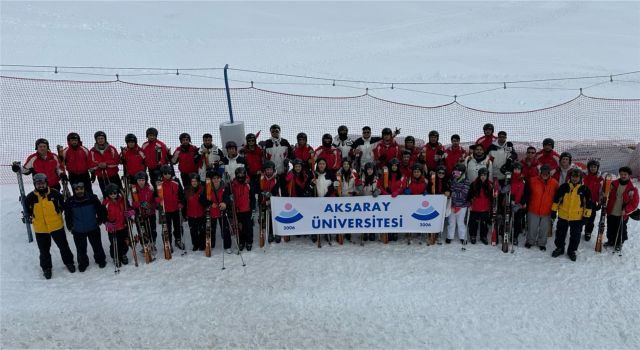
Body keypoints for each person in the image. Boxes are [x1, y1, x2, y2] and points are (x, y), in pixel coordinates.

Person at [24, 173, 75, 279]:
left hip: (56, 226)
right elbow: (28, 212)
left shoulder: (55, 194)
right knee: (44, 250)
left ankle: (69, 262)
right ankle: (46, 268)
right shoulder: (30, 197)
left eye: (42, 183)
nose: (40, 186)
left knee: (63, 247)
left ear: (46, 183)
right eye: (38, 184)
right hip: (40, 229)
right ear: (35, 184)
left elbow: (62, 207)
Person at [551, 168, 593, 261]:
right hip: (563, 215)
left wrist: (586, 217)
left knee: (575, 236)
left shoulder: (585, 189)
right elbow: (557, 199)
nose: (574, 179)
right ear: (570, 177)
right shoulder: (564, 187)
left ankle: (572, 250)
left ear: (580, 178)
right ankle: (560, 248)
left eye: (577, 177)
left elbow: (589, 204)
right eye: (573, 176)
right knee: (560, 233)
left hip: (577, 218)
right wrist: (554, 211)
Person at [64, 182, 107, 272]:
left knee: (97, 246)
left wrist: (100, 220)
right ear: (74, 190)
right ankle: (83, 263)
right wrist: (70, 227)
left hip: (93, 227)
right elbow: (68, 215)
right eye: (77, 189)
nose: (79, 191)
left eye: (81, 188)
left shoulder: (92, 198)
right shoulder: (70, 201)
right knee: (81, 249)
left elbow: (100, 210)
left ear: (84, 188)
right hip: (78, 230)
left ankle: (100, 260)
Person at [605, 166, 639, 250]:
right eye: (621, 174)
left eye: (625, 174)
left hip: (622, 213)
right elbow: (605, 192)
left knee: (621, 229)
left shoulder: (632, 189)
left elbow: (634, 203)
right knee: (610, 226)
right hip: (611, 210)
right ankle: (610, 240)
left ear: (629, 175)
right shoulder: (613, 184)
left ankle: (619, 243)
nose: (623, 176)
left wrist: (626, 210)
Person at [526, 164, 558, 250]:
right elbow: (525, 192)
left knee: (544, 229)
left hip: (547, 210)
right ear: (540, 172)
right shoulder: (532, 180)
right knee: (532, 227)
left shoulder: (554, 183)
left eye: (547, 172)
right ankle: (530, 241)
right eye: (543, 172)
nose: (545, 174)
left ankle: (542, 243)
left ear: (549, 173)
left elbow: (558, 196)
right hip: (533, 209)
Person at [225, 167, 256, 251]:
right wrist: (229, 197)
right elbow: (227, 194)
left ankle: (249, 241)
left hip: (247, 209)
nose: (240, 176)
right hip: (237, 210)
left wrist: (253, 208)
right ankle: (241, 241)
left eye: (242, 174)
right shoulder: (233, 184)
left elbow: (252, 197)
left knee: (248, 227)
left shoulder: (248, 183)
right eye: (239, 174)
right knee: (239, 227)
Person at [200, 171, 231, 253]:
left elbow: (227, 197)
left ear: (220, 179)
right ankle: (211, 245)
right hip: (211, 212)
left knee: (225, 229)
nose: (216, 180)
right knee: (211, 229)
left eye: (217, 178)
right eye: (214, 178)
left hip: (222, 211)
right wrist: (210, 204)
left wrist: (224, 203)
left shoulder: (225, 187)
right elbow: (202, 199)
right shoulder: (208, 187)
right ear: (211, 179)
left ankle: (227, 246)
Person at [156, 165, 186, 250]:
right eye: (165, 173)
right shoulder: (159, 183)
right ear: (162, 174)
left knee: (178, 226)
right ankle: (168, 242)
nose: (167, 175)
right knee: (167, 228)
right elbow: (156, 195)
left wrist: (181, 202)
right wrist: (157, 200)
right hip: (165, 210)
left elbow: (181, 193)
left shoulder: (176, 181)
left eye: (169, 173)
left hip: (176, 208)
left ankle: (178, 240)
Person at [102, 183, 133, 267]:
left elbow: (129, 208)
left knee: (124, 242)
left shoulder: (122, 200)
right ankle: (115, 256)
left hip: (123, 225)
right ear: (108, 194)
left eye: (114, 193)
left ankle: (123, 254)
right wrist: (106, 222)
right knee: (114, 243)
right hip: (113, 227)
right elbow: (102, 215)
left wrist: (130, 212)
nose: (113, 195)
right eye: (111, 193)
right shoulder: (106, 203)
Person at [89, 131, 122, 196]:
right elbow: (90, 164)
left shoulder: (111, 149)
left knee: (119, 192)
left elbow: (116, 161)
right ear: (96, 140)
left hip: (113, 175)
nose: (100, 140)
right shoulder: (92, 151)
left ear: (105, 139)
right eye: (98, 139)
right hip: (101, 177)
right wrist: (99, 165)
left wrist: (106, 164)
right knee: (106, 194)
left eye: (102, 138)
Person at [263, 124, 293, 195]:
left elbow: (291, 154)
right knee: (273, 190)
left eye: (276, 131)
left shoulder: (285, 142)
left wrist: (288, 161)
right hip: (272, 174)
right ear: (270, 132)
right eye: (272, 131)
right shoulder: (267, 143)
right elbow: (264, 157)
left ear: (279, 131)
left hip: (283, 172)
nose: (274, 133)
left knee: (284, 190)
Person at [312, 158, 336, 243]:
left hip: (327, 200)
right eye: (320, 164)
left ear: (326, 165)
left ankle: (327, 233)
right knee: (316, 217)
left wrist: (327, 196)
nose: (321, 165)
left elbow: (334, 187)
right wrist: (312, 184)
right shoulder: (314, 174)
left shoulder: (331, 174)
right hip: (317, 200)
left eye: (323, 164)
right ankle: (315, 233)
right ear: (317, 165)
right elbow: (309, 187)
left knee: (327, 218)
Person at [130, 171, 157, 249]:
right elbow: (131, 203)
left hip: (150, 213)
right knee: (142, 230)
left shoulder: (150, 188)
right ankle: (144, 245)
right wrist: (140, 203)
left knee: (152, 229)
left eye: (143, 180)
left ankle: (152, 243)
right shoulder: (133, 190)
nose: (141, 182)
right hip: (139, 213)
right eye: (139, 180)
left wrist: (151, 207)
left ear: (145, 180)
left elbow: (154, 201)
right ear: (136, 180)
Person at [466, 167, 493, 245]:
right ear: (479, 175)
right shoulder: (474, 184)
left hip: (485, 208)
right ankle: (473, 235)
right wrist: (469, 202)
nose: (483, 177)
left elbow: (492, 197)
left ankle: (483, 236)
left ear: (487, 176)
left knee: (484, 223)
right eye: (481, 175)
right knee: (473, 223)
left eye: (485, 175)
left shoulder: (490, 185)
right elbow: (469, 195)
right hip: (475, 208)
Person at [360, 162, 383, 242]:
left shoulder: (377, 179)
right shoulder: (362, 178)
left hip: (374, 201)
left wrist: (378, 191)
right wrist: (359, 189)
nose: (369, 171)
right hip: (364, 200)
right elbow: (357, 187)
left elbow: (381, 187)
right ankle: (365, 232)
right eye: (368, 170)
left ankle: (372, 232)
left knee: (373, 217)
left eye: (371, 169)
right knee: (365, 217)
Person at [259, 160, 281, 243]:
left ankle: (277, 233)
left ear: (273, 170)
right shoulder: (261, 178)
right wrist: (264, 198)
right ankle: (270, 233)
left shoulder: (277, 178)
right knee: (267, 218)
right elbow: (260, 189)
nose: (269, 171)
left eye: (270, 169)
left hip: (275, 201)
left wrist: (272, 198)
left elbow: (278, 190)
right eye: (267, 170)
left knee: (276, 218)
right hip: (265, 201)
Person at [582, 160, 603, 241]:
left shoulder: (600, 179)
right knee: (580, 216)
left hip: (593, 202)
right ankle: (578, 229)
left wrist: (600, 202)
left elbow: (601, 192)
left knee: (591, 219)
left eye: (595, 167)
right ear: (588, 168)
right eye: (591, 167)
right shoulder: (584, 176)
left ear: (597, 168)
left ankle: (588, 232)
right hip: (582, 201)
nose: (593, 168)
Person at [184, 173, 206, 251]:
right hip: (191, 214)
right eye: (192, 181)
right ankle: (195, 244)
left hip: (201, 213)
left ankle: (202, 243)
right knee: (193, 231)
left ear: (198, 181)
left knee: (202, 230)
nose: (194, 182)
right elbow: (184, 201)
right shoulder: (187, 190)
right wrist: (184, 213)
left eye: (196, 181)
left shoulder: (203, 189)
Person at [509, 162, 528, 246]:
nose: (517, 171)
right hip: (509, 203)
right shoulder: (509, 178)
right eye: (515, 169)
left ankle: (515, 236)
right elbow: (506, 190)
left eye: (518, 169)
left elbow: (526, 193)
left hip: (519, 205)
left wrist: (521, 203)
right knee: (508, 220)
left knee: (517, 221)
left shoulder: (524, 180)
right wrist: (511, 199)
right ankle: (506, 234)